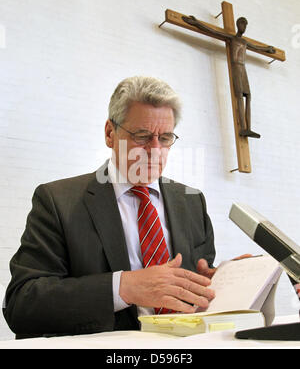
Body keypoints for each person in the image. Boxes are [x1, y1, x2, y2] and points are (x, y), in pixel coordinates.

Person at [3, 76, 217, 339]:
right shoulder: (58, 201)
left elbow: (198, 288)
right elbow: (22, 305)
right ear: (109, 133)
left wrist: (221, 282)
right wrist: (123, 287)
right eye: (142, 136)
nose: (155, 150)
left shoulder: (192, 201)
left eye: (166, 138)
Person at [182, 15, 276, 139]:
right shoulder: (232, 38)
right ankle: (242, 127)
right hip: (236, 66)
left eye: (245, 25)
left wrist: (268, 49)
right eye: (242, 24)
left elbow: (257, 47)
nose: (244, 27)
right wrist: (196, 23)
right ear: (238, 25)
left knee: (248, 95)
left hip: (243, 68)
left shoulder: (244, 42)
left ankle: (248, 128)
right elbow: (213, 31)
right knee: (239, 96)